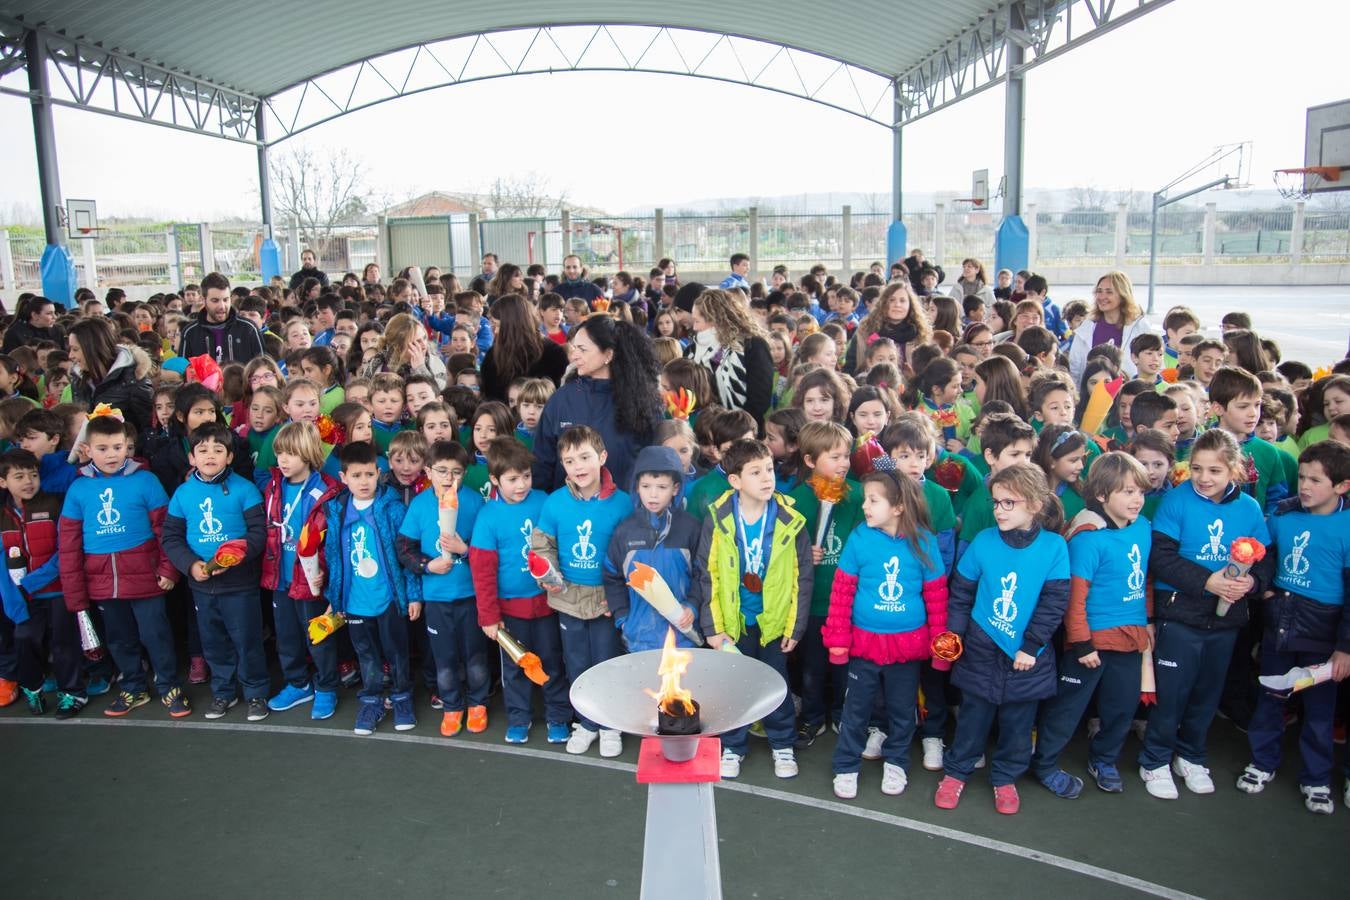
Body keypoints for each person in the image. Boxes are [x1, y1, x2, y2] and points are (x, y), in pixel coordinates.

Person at [1139, 429, 1273, 800]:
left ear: (1234, 470)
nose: (1203, 477)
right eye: (1197, 468)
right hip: (1179, 615)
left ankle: (1192, 755)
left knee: (1207, 693)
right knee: (1172, 694)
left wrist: (1252, 583)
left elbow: (1266, 558)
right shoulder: (1175, 501)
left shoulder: (1249, 508)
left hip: (1226, 621)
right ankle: (1155, 759)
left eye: (1214, 470)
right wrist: (1208, 582)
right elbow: (1161, 557)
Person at [936, 465, 1070, 815]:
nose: (999, 510)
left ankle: (1005, 778)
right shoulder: (983, 541)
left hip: (1026, 658)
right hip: (980, 649)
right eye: (996, 502)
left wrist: (1030, 646)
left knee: (1018, 726)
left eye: (1009, 503)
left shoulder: (1054, 547)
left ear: (1035, 504)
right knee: (972, 719)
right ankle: (956, 772)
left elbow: (1054, 604)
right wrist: (954, 636)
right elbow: (961, 594)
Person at [1031, 453, 1154, 797]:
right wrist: (1082, 643)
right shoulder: (1087, 538)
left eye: (1140, 492)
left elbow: (1145, 579)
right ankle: (1044, 763)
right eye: (1127, 492)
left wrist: (1148, 621)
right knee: (1067, 708)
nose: (1136, 500)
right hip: (1091, 643)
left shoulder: (1143, 528)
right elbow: (1074, 597)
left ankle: (1104, 760)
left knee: (1122, 707)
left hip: (1130, 638)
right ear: (1101, 495)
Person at [692, 439, 812, 780]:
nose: (767, 478)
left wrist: (795, 627)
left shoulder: (791, 520)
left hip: (774, 622)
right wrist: (713, 628)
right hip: (734, 623)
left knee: (775, 684)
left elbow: (803, 577)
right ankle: (733, 745)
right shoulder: (718, 519)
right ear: (735, 481)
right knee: (734, 684)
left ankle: (782, 743)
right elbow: (707, 576)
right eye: (755, 472)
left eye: (769, 469)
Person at [825, 470, 948, 799]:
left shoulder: (924, 541)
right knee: (855, 711)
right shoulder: (860, 538)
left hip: (907, 646)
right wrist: (838, 641)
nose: (865, 506)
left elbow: (937, 598)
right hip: (864, 645)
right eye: (865, 499)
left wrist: (940, 647)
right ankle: (846, 765)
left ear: (898, 507)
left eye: (873, 500)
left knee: (902, 710)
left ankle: (896, 762)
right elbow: (842, 593)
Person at [58, 412, 187, 717]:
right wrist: (75, 594)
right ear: (87, 450)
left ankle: (169, 685)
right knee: (119, 639)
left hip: (147, 580)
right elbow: (69, 546)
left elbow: (167, 530)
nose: (111, 454)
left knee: (156, 635)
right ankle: (133, 686)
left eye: (118, 447)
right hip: (102, 583)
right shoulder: (78, 489)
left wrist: (168, 569)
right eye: (102, 448)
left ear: (127, 446)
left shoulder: (146, 480)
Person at [530, 426, 630, 757]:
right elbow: (542, 546)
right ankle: (587, 723)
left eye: (585, 457)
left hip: (605, 600)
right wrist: (547, 574)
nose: (578, 466)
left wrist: (618, 596)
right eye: (570, 460)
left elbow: (631, 555)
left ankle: (610, 724)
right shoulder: (555, 502)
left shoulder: (623, 503)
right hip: (568, 599)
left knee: (607, 661)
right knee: (576, 663)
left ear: (602, 457)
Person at [161, 422, 269, 721]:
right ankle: (223, 692)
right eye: (203, 450)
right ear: (191, 457)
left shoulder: (245, 490)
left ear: (230, 457)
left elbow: (259, 533)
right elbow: (171, 537)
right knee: (213, 642)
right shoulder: (182, 494)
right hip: (202, 586)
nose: (210, 455)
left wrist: (235, 556)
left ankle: (256, 692)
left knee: (247, 640)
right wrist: (190, 565)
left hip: (240, 585)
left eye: (218, 450)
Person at [470, 438, 571, 744]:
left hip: (548, 604)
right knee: (515, 666)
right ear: (494, 479)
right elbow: (482, 572)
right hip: (510, 611)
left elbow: (561, 546)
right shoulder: (488, 516)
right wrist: (489, 616)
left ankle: (558, 716)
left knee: (553, 661)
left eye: (526, 476)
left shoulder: (544, 502)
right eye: (513, 479)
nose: (522, 485)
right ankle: (518, 717)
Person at [317, 442, 417, 736]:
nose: (364, 482)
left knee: (396, 652)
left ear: (379, 473)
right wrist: (334, 597)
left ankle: (402, 699)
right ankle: (371, 702)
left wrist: (413, 595)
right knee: (366, 655)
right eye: (357, 475)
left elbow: (407, 554)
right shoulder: (336, 509)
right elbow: (333, 557)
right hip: (354, 601)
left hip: (389, 599)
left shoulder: (393, 508)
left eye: (370, 475)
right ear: (343, 477)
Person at [397, 439, 489, 737]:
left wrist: (466, 549)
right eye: (442, 471)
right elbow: (405, 549)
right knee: (444, 658)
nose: (449, 478)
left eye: (456, 472)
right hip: (436, 598)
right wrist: (428, 566)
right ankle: (452, 706)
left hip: (471, 596)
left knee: (475, 655)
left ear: (465, 473)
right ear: (428, 472)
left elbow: (489, 549)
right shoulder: (420, 505)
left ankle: (478, 703)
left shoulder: (475, 503)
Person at [260, 422, 345, 720]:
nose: (283, 460)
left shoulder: (327, 491)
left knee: (317, 638)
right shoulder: (273, 487)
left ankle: (326, 687)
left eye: (291, 453)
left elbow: (334, 540)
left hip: (310, 580)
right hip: (280, 577)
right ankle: (298, 683)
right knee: (286, 637)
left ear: (308, 453)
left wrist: (325, 571)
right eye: (280, 453)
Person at [786, 422, 862, 748]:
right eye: (834, 457)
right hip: (813, 602)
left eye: (846, 455)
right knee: (812, 667)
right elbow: (779, 551)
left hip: (848, 602)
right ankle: (813, 717)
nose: (844, 463)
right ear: (810, 460)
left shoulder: (858, 495)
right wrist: (802, 555)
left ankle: (845, 714)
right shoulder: (794, 500)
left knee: (846, 667)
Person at [532, 315, 660, 493]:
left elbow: (652, 464)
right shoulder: (561, 399)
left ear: (608, 354)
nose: (574, 355)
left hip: (623, 505)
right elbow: (542, 463)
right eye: (574, 347)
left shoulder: (642, 402)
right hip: (568, 505)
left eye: (582, 349)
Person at [0, 449, 79, 716]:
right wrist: (14, 593)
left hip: (57, 591)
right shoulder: (2, 515)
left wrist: (32, 582)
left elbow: (65, 551)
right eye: (19, 476)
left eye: (33, 475)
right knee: (25, 640)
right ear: (3, 482)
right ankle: (32, 688)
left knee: (64, 643)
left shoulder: (55, 505)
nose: (28, 481)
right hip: (22, 598)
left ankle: (71, 693)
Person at [603, 446, 702, 652]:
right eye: (646, 486)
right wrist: (623, 618)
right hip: (639, 639)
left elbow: (703, 574)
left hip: (683, 637)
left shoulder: (690, 528)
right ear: (637, 487)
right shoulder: (625, 532)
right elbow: (612, 575)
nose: (653, 494)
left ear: (675, 488)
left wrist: (692, 606)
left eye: (662, 487)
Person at [689, 288, 776, 425]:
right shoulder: (693, 350)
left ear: (714, 320)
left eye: (697, 321)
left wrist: (732, 426)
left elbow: (760, 398)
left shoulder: (753, 345)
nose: (694, 328)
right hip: (705, 427)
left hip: (744, 427)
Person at [66, 318, 153, 437]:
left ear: (93, 347)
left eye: (75, 349)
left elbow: (148, 428)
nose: (70, 355)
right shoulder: (78, 380)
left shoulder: (133, 378)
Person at [1067, 271, 1157, 383]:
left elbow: (1155, 365)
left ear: (1123, 295)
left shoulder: (1140, 327)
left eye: (1109, 292)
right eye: (1099, 291)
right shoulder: (1087, 327)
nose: (1102, 296)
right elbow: (1075, 369)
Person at [479, 294, 569, 403]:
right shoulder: (493, 354)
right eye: (494, 325)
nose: (496, 331)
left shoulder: (553, 354)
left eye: (499, 325)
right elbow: (488, 397)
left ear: (514, 325)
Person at [179, 273, 266, 364]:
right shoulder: (190, 332)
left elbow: (263, 366)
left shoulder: (248, 328)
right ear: (203, 300)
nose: (222, 306)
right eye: (215, 301)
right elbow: (183, 369)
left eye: (225, 300)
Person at [359, 313, 448, 389]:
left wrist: (420, 368)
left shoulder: (434, 362)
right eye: (417, 342)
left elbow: (437, 392)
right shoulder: (378, 363)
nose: (424, 345)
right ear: (398, 346)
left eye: (424, 338)